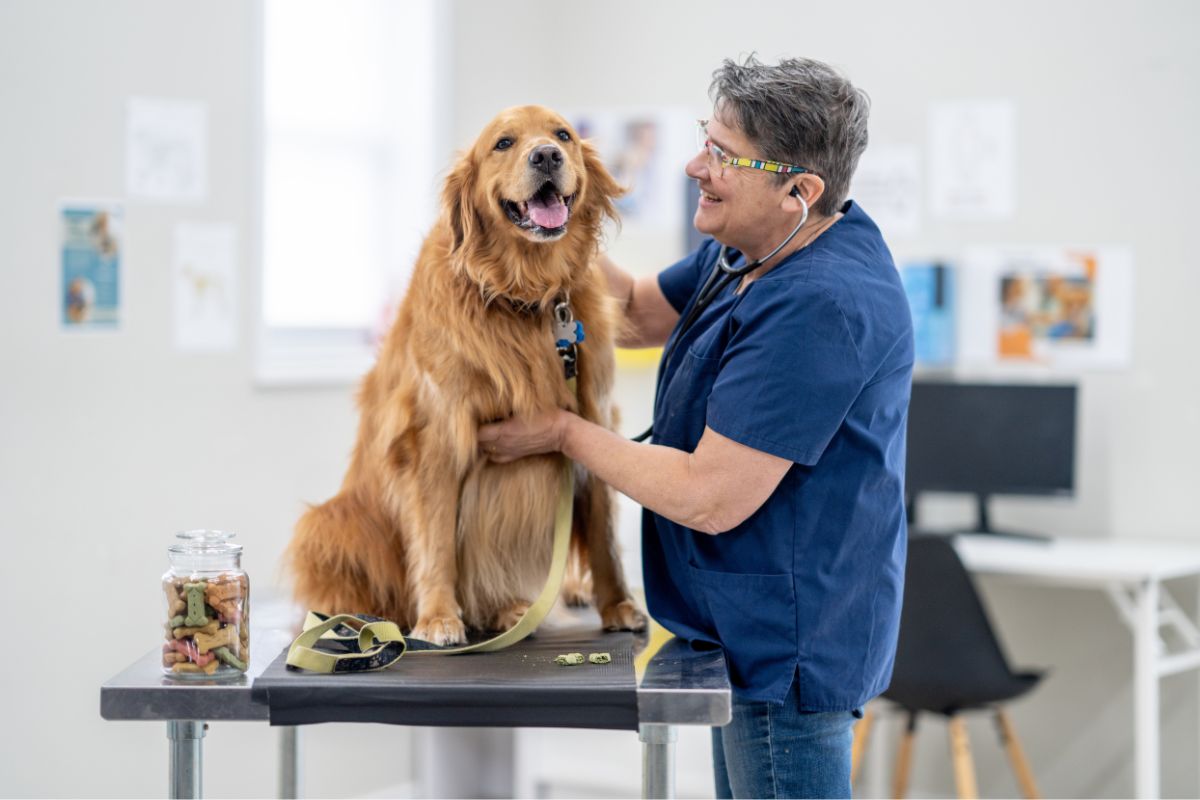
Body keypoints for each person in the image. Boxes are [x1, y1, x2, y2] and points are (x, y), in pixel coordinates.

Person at [479, 55, 913, 799]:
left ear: (798, 192)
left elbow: (710, 495)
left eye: (720, 156)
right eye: (704, 141)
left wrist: (563, 432)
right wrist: (552, 212)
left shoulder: (821, 306)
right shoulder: (753, 247)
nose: (693, 167)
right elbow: (642, 310)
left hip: (787, 644)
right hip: (739, 629)